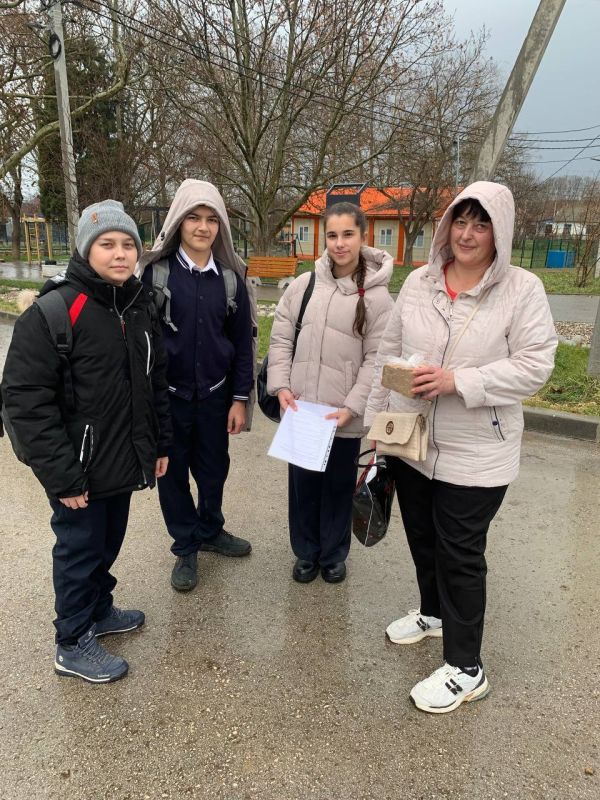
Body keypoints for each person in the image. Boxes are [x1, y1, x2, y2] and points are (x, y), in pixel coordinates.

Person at [365, 181, 557, 713]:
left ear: (500, 232)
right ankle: (433, 613)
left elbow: (535, 365)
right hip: (412, 440)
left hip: (478, 451)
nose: (467, 235)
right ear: (447, 225)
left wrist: (458, 382)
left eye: (481, 224)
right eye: (460, 222)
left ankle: (467, 667)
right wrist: (376, 428)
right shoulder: (420, 281)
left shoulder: (522, 289)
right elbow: (387, 352)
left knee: (460, 554)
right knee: (422, 537)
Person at [1, 200, 172, 684]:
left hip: (123, 459)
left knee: (107, 542)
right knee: (78, 551)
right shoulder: (54, 311)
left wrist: (160, 445)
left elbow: (155, 382)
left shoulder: (138, 306)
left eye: (128, 245)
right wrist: (63, 476)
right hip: (77, 469)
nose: (120, 254)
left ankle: (98, 610)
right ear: (85, 250)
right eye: (107, 244)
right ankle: (72, 641)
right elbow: (25, 402)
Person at [137, 180, 256, 592]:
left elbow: (243, 344)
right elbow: (141, 345)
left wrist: (239, 399)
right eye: (194, 217)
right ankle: (186, 545)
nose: (203, 227)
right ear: (178, 222)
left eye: (211, 219)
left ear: (220, 226)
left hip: (215, 397)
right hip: (169, 400)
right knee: (172, 475)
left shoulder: (230, 280)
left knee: (213, 469)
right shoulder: (156, 275)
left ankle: (210, 528)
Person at [267, 202, 394, 583]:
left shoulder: (378, 299)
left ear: (363, 237)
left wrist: (352, 407)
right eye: (333, 235)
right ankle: (306, 552)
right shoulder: (305, 286)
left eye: (348, 234)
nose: (340, 243)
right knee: (303, 488)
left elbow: (377, 361)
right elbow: (281, 338)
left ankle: (334, 554)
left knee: (338, 488)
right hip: (303, 411)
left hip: (342, 416)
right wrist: (282, 386)